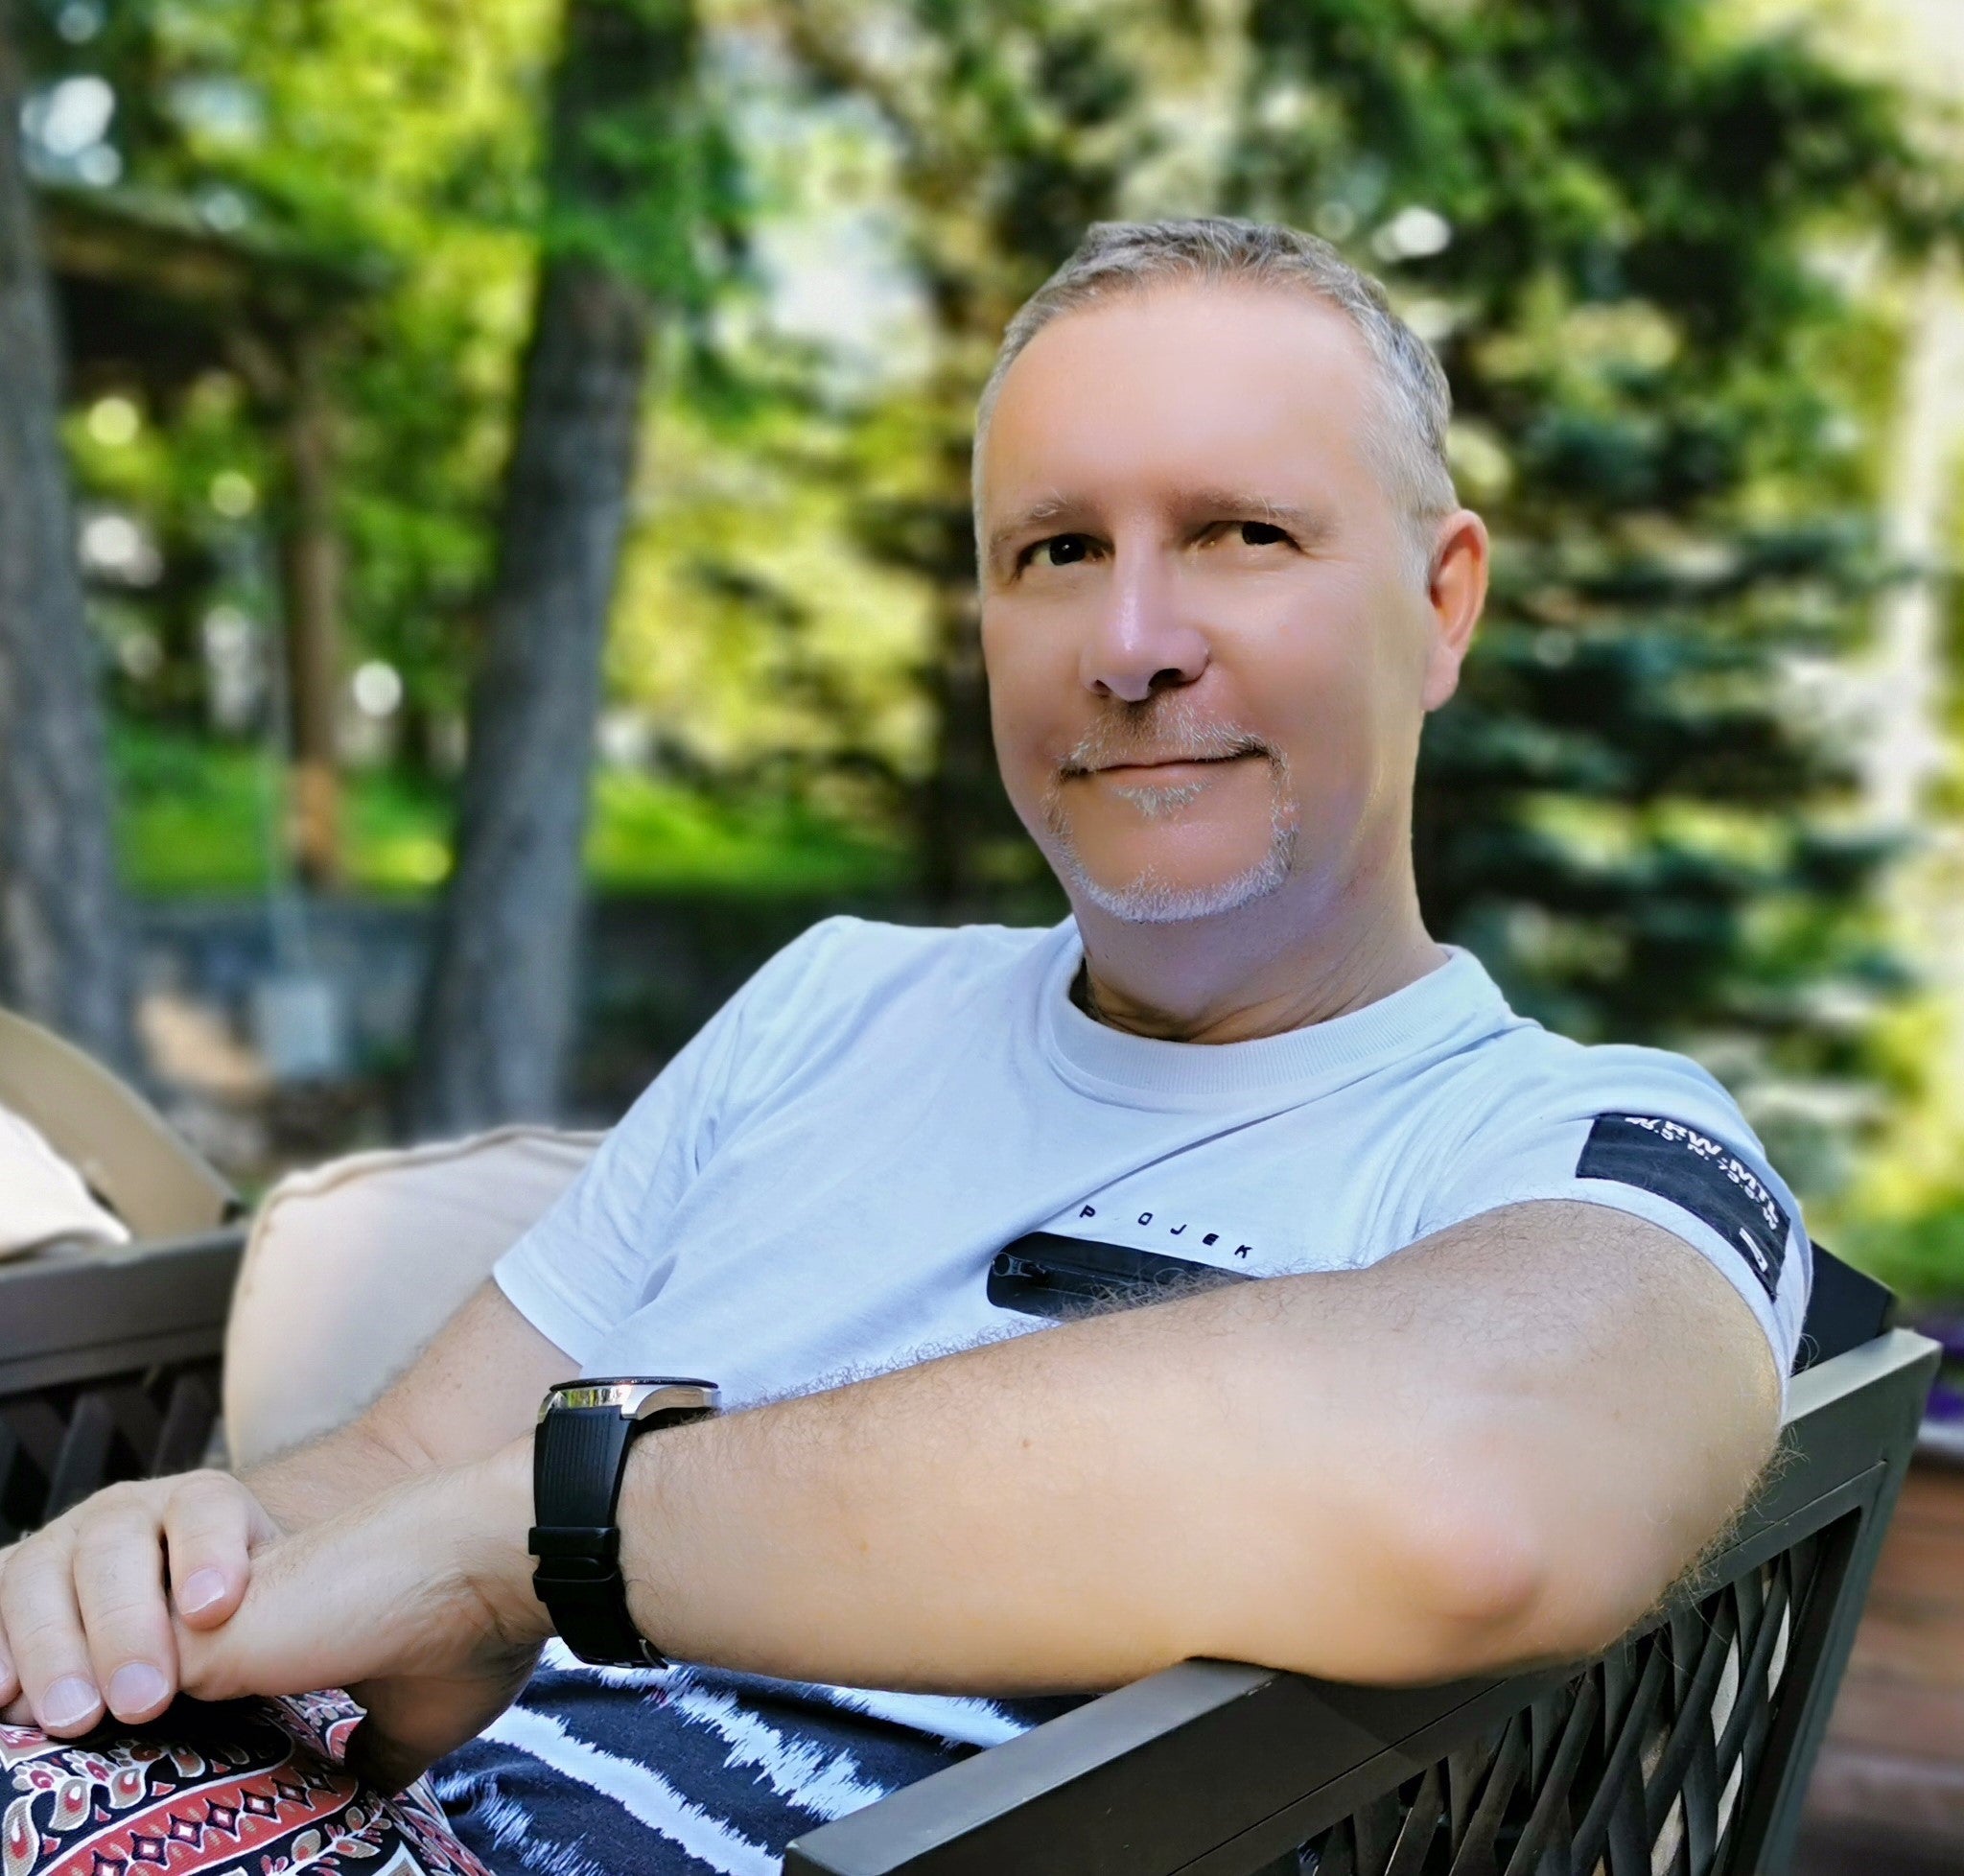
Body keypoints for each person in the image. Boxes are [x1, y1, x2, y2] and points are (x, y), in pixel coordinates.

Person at [0, 218, 1806, 1874]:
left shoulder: (1585, 1146)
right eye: (1056, 551)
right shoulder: (834, 1002)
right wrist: (165, 1550)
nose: (1132, 642)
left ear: (1443, 602)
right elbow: (390, 1479)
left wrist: (531, 1539)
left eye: (1243, 534)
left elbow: (1475, 1480)